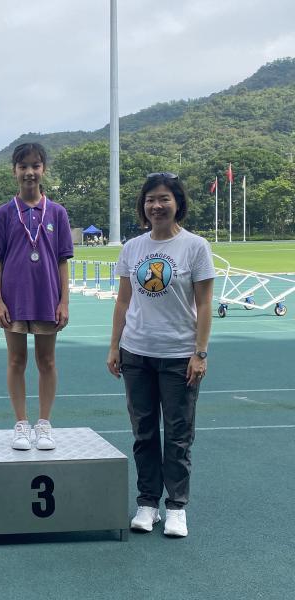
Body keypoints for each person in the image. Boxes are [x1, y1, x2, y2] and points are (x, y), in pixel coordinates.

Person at [106, 172, 214, 538]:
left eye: (164, 198)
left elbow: (204, 304)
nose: (157, 205)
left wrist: (199, 353)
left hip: (179, 356)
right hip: (137, 353)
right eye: (151, 199)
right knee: (144, 432)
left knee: (179, 434)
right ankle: (148, 503)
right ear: (143, 205)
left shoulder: (195, 247)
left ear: (177, 203)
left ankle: (177, 508)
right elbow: (123, 300)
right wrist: (114, 346)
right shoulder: (133, 248)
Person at [0, 143, 73, 450]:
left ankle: (44, 424)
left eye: (35, 166)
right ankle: (21, 424)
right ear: (14, 171)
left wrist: (64, 301)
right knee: (16, 360)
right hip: (14, 299)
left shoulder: (58, 213)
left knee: (47, 361)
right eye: (23, 166)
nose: (29, 172)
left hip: (47, 298)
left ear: (43, 170)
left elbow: (63, 260)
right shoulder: (4, 214)